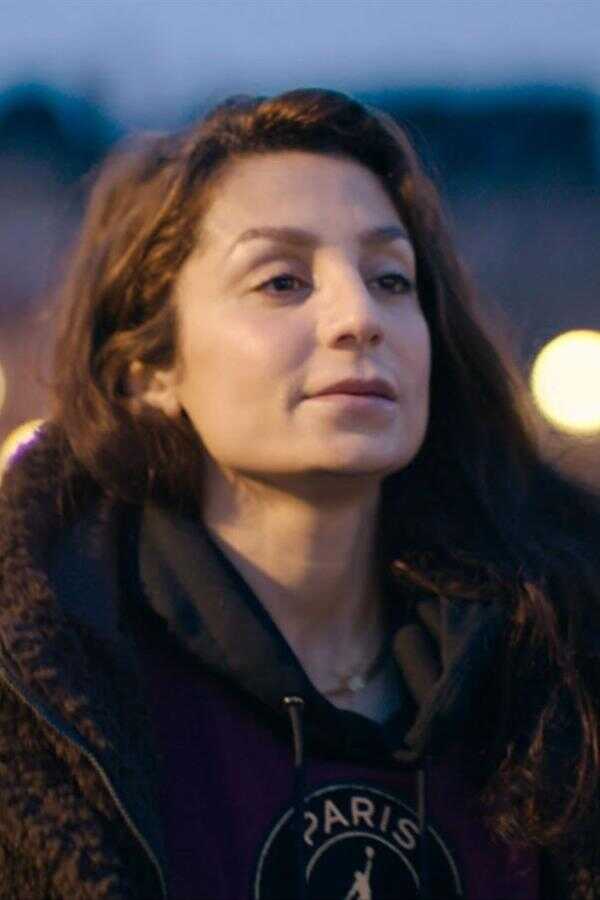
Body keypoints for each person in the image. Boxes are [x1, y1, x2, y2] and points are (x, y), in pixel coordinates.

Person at [0, 88, 598, 900]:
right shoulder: (51, 695)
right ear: (149, 371)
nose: (359, 317)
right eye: (282, 281)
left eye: (391, 279)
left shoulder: (556, 665)